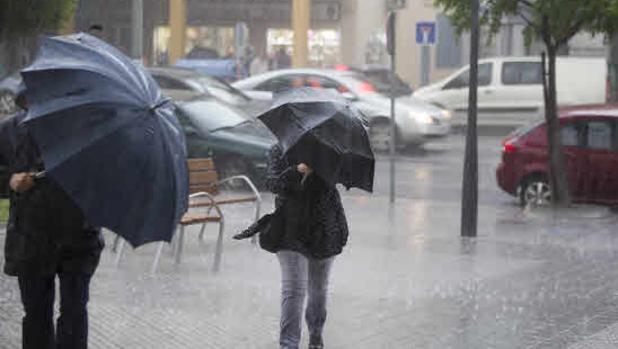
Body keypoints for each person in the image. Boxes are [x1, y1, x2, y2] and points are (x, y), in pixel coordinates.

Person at [0, 86, 104, 349]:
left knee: (74, 313)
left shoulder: (88, 130)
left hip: (79, 235)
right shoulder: (9, 130)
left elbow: (107, 178)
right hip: (30, 237)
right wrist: (10, 181)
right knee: (36, 315)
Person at [265, 144, 349, 349]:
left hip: (323, 229)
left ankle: (316, 335)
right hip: (289, 230)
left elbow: (337, 182)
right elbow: (272, 184)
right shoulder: (279, 149)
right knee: (294, 289)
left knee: (318, 288)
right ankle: (288, 344)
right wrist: (297, 171)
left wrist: (321, 165)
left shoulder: (332, 150)